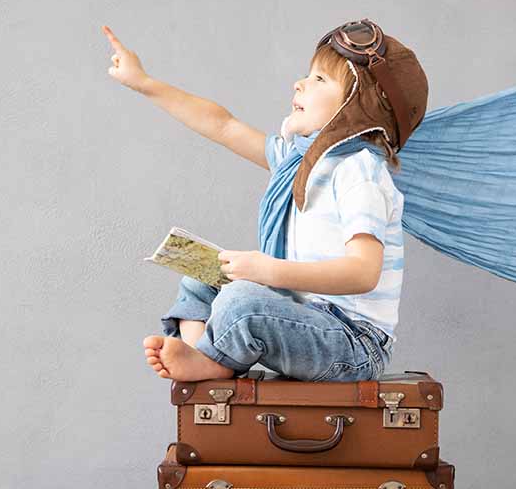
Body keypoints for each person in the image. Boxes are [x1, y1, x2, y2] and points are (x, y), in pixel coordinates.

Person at [103, 20, 429, 383]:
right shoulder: (300, 160)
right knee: (201, 272)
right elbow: (223, 125)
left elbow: (363, 272)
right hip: (307, 315)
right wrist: (145, 83)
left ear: (359, 106)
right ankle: (204, 358)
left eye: (320, 79)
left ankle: (212, 363)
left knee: (242, 300)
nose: (299, 83)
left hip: (353, 342)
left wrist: (267, 271)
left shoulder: (359, 170)